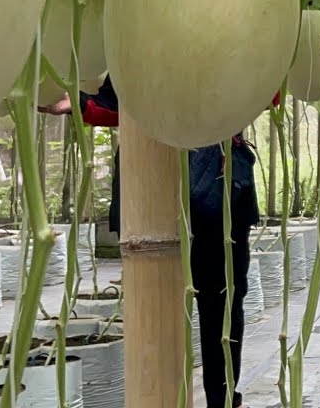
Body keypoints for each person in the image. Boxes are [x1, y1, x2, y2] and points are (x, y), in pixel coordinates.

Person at [41, 76, 271, 408]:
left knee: (221, 304)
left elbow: (265, 88)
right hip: (148, 188)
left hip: (216, 185)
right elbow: (121, 104)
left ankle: (222, 401)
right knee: (156, 306)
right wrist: (80, 102)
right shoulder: (127, 49)